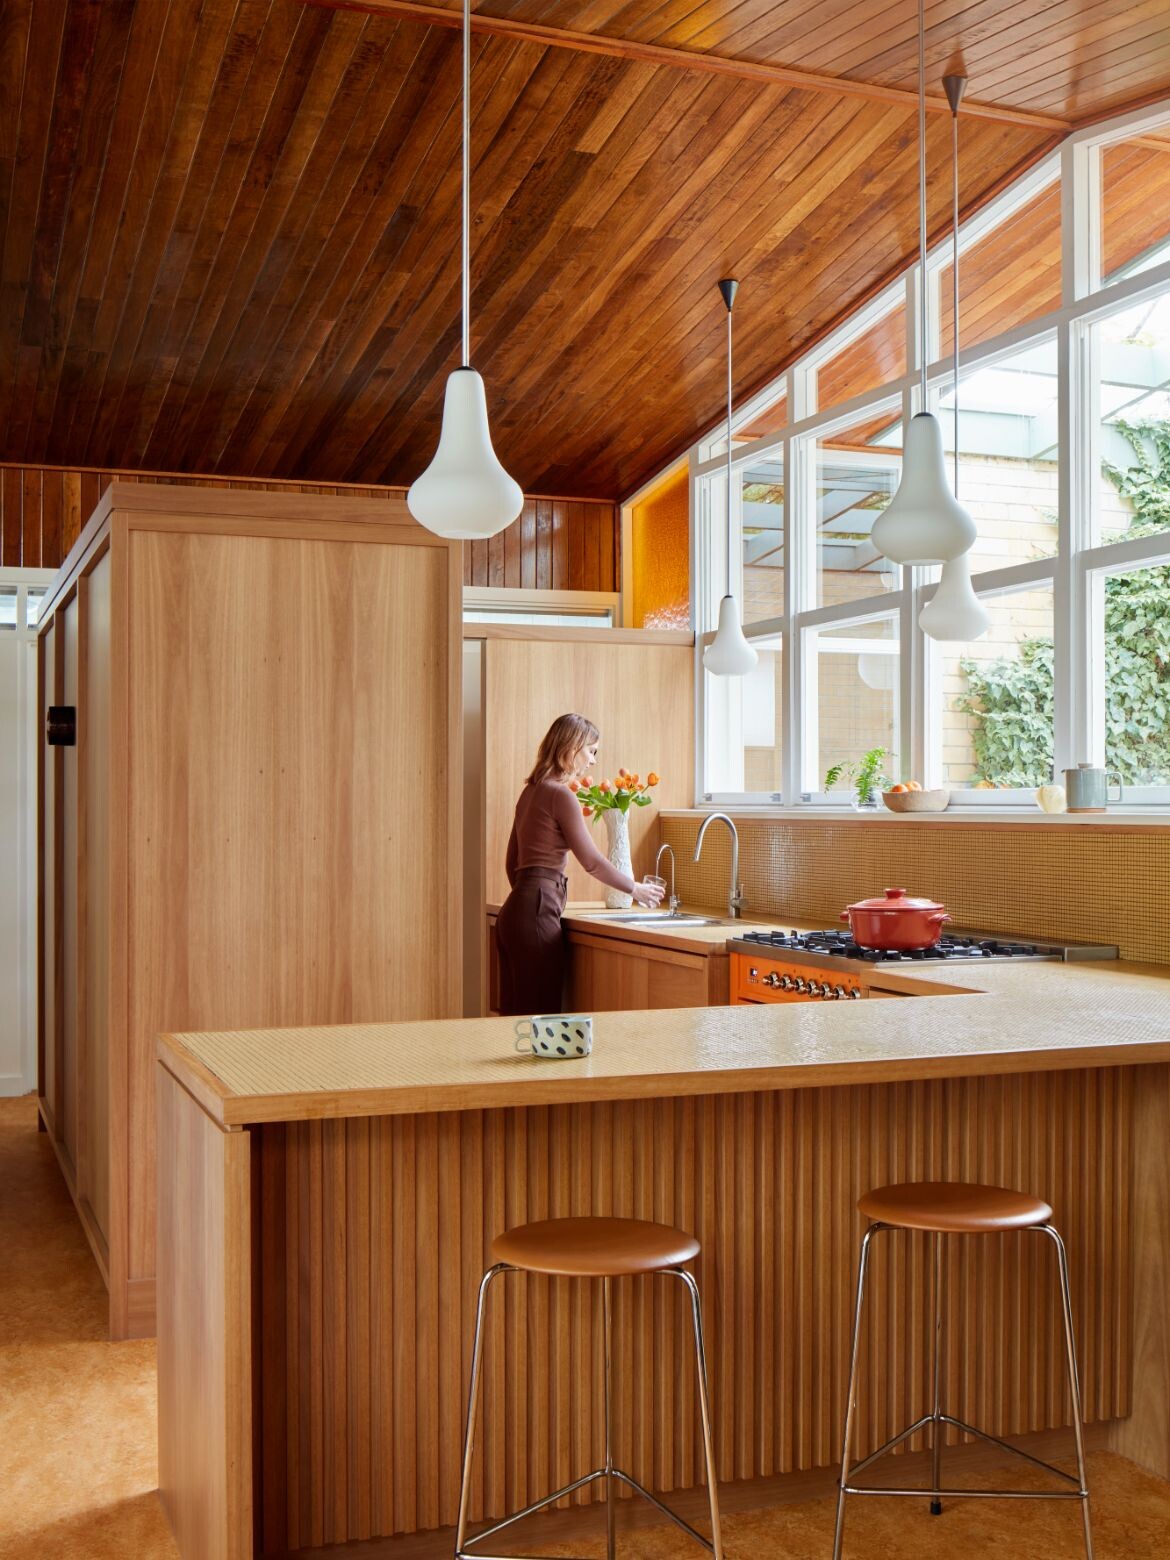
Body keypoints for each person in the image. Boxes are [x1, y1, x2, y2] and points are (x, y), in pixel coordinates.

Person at [496, 713, 664, 1017]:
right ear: (572, 747)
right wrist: (635, 888)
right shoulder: (560, 795)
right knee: (543, 1021)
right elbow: (592, 862)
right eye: (591, 750)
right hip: (536, 912)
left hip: (512, 914)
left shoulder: (529, 792)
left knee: (515, 1020)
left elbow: (512, 863)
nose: (593, 760)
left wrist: (527, 898)